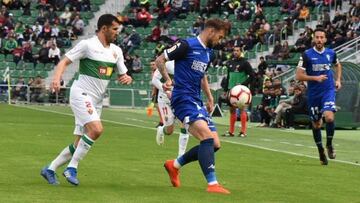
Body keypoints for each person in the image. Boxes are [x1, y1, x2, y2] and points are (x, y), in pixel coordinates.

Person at [40, 14, 132, 185]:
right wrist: (56, 79)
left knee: (79, 142)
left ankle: (50, 169)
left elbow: (124, 75)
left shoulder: (116, 51)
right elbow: (63, 62)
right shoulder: (87, 45)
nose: (117, 33)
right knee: (96, 130)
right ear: (104, 28)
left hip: (96, 101)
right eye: (114, 29)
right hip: (81, 94)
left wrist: (127, 78)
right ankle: (71, 168)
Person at [155, 18, 231, 194]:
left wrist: (210, 96)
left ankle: (174, 165)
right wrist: (167, 79)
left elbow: (202, 75)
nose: (219, 41)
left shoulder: (209, 53)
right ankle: (213, 184)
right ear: (211, 31)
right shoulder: (185, 45)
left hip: (196, 101)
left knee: (215, 144)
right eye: (219, 37)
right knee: (207, 138)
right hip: (182, 99)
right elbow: (160, 60)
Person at [295, 27, 342, 165]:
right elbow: (298, 75)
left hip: (328, 90)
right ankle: (321, 150)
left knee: (329, 116)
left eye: (322, 37)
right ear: (313, 39)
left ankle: (329, 144)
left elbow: (338, 65)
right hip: (314, 94)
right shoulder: (306, 55)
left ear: (325, 39)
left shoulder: (331, 53)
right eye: (317, 37)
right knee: (316, 124)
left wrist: (338, 80)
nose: (319, 40)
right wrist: (315, 78)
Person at [153, 60, 190, 157]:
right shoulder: (167, 64)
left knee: (185, 123)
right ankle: (161, 129)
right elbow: (154, 80)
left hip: (180, 98)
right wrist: (166, 90)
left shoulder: (188, 63)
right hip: (165, 99)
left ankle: (181, 155)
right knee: (169, 131)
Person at [222, 46, 255, 137]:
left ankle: (243, 132)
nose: (235, 52)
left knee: (242, 110)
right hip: (231, 90)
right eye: (234, 50)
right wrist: (225, 90)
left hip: (241, 92)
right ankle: (231, 131)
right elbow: (228, 77)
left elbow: (252, 76)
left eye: (237, 50)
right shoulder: (230, 63)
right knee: (232, 110)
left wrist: (243, 85)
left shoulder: (245, 63)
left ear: (241, 51)